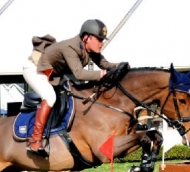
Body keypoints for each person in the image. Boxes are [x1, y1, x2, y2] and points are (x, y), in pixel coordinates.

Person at [22, 19, 119, 155]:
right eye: (99, 39)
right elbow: (79, 74)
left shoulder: (89, 49)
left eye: (103, 40)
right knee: (50, 97)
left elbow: (105, 64)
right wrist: (103, 74)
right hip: (34, 69)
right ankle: (34, 141)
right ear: (86, 37)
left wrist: (120, 66)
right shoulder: (71, 47)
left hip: (51, 74)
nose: (102, 43)